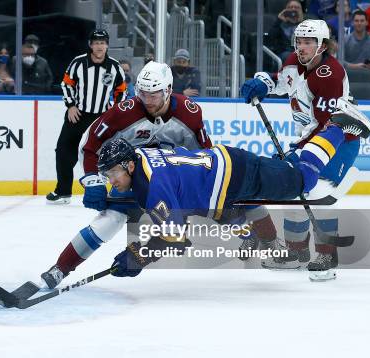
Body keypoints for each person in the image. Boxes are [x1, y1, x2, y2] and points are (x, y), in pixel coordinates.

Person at [40, 61, 288, 288]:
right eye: (143, 93)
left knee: (225, 204)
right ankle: (60, 269)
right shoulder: (123, 112)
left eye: (154, 93)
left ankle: (257, 237)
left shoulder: (189, 113)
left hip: (172, 179)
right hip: (132, 178)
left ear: (168, 89)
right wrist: (93, 181)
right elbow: (90, 146)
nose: (147, 99)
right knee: (110, 220)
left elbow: (204, 153)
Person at [104, 102, 370, 277]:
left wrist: (138, 256)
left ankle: (338, 125)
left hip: (235, 176)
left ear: (128, 165)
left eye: (113, 173)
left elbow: (175, 238)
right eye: (107, 174)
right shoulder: (140, 155)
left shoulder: (153, 187)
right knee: (226, 213)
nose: (111, 180)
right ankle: (258, 231)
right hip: (221, 177)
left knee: (303, 180)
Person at [240, 19, 365, 280]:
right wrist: (264, 84)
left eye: (308, 42)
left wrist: (297, 150)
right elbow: (283, 82)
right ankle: (297, 253)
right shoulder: (293, 63)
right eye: (299, 41)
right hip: (310, 139)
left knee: (319, 192)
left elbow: (327, 126)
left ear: (322, 45)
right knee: (291, 191)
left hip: (339, 141)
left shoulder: (330, 74)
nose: (302, 47)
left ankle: (327, 253)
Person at [46, 29, 127, 204]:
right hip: (78, 114)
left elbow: (121, 91)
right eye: (96, 42)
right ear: (90, 45)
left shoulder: (114, 67)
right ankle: (63, 192)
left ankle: (114, 190)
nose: (99, 46)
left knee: (107, 154)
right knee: (63, 150)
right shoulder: (78, 63)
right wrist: (71, 105)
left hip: (101, 118)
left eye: (103, 42)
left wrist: (114, 113)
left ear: (107, 45)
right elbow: (66, 84)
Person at [342, 10, 370, 82]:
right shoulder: (345, 40)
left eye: (362, 21)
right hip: (349, 72)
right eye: (356, 21)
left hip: (369, 71)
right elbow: (339, 61)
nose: (359, 23)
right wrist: (354, 66)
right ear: (352, 23)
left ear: (366, 22)